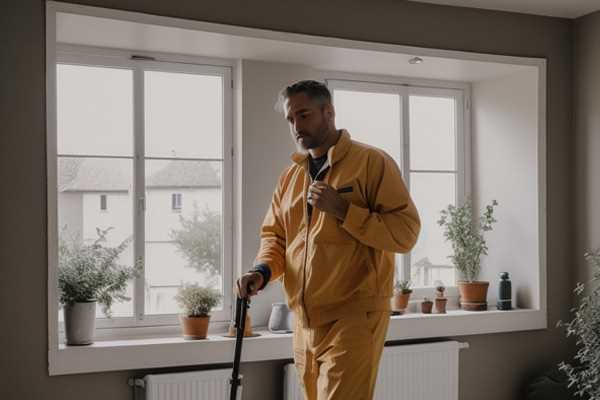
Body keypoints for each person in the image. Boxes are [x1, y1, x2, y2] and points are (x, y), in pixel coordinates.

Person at [235, 80, 420, 400]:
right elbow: (275, 237)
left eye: (304, 115)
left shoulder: (372, 163)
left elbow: (405, 232)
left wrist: (344, 210)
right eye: (290, 119)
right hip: (304, 322)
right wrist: (261, 271)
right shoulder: (291, 177)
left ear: (329, 112)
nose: (296, 126)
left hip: (354, 317)